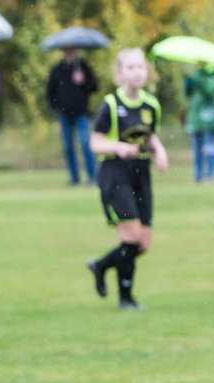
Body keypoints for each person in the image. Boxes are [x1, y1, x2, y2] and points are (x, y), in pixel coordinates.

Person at [85, 48, 168, 310]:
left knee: (142, 243)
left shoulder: (151, 104)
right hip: (114, 173)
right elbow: (95, 144)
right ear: (120, 73)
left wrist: (160, 151)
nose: (137, 72)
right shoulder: (111, 105)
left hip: (141, 175)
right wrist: (118, 147)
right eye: (130, 68)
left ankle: (101, 265)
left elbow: (150, 136)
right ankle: (126, 298)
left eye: (141, 67)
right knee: (131, 238)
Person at [47, 48, 99, 186]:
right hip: (64, 114)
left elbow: (94, 87)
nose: (69, 53)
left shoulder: (83, 67)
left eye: (71, 51)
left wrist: (83, 81)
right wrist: (57, 108)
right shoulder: (57, 70)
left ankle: (93, 175)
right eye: (66, 51)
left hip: (81, 113)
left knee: (86, 143)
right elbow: (50, 93)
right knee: (68, 147)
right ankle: (74, 177)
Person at [184, 65, 214, 183]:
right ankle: (198, 175)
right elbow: (187, 93)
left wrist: (199, 81)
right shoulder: (195, 75)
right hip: (195, 119)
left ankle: (210, 175)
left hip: (208, 120)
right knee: (197, 149)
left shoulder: (213, 77)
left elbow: (210, 93)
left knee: (209, 148)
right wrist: (188, 80)